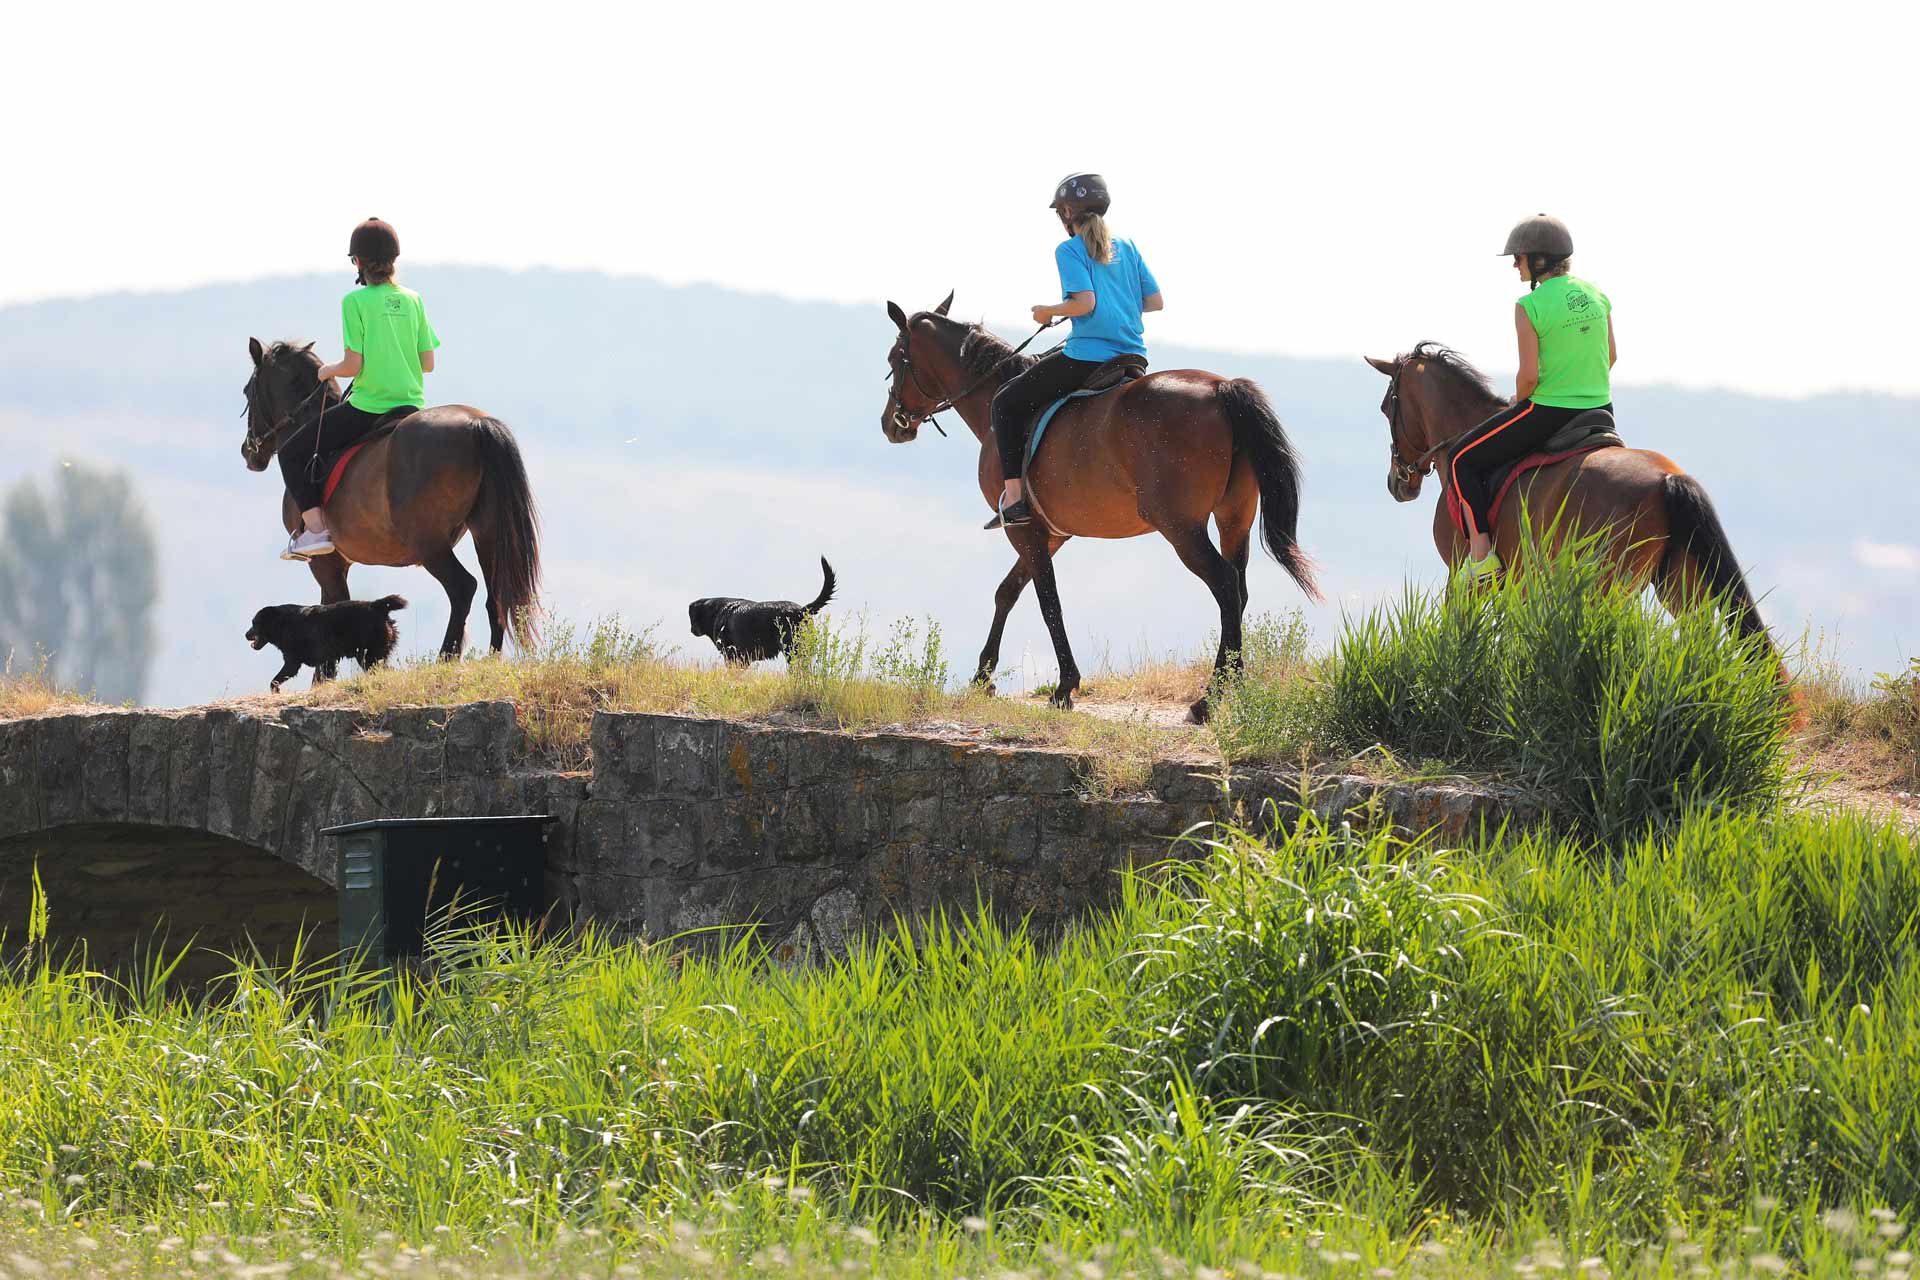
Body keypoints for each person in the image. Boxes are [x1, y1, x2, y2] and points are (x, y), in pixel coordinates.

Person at [986, 173, 1163, 529]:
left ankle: (1016, 500)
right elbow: (1155, 302)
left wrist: (1048, 311)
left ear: (1068, 212)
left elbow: (1084, 303)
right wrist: (1117, 306)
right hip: (1133, 357)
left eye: (1060, 213)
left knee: (1005, 403)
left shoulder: (1069, 250)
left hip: (1088, 358)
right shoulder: (1127, 247)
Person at [1447, 213, 1617, 577]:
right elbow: (1611, 356)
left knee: (1461, 459)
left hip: (1551, 412)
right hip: (1602, 409)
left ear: (1540, 260)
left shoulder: (1529, 307)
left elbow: (1528, 377)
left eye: (1519, 257)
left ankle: (1481, 557)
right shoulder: (1596, 294)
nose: (1514, 265)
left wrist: (1517, 399)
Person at [279, 217, 441, 559]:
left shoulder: (355, 302)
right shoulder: (414, 300)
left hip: (369, 408)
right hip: (411, 406)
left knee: (291, 452)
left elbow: (353, 366)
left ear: (359, 262)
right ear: (394, 260)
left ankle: (316, 531)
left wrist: (326, 371)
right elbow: (428, 363)